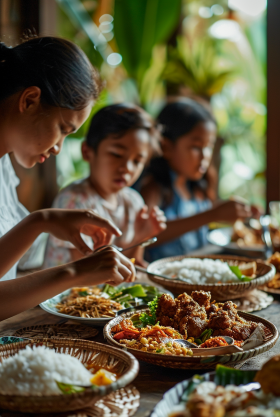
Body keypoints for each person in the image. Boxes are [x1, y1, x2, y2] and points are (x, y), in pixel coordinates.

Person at [0, 36, 135, 321]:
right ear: (30, 100)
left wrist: (43, 221)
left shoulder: (4, 165)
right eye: (62, 128)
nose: (59, 147)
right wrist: (75, 272)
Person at [44, 103, 166, 268]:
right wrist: (138, 238)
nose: (127, 168)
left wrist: (142, 237)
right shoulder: (74, 201)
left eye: (137, 161)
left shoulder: (133, 202)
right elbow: (84, 273)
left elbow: (133, 265)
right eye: (116, 154)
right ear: (87, 152)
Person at [139, 99, 258, 261]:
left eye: (208, 146)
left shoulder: (197, 187)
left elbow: (201, 218)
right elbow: (143, 236)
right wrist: (213, 214)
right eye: (195, 147)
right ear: (166, 147)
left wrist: (236, 213)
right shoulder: (153, 188)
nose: (204, 156)